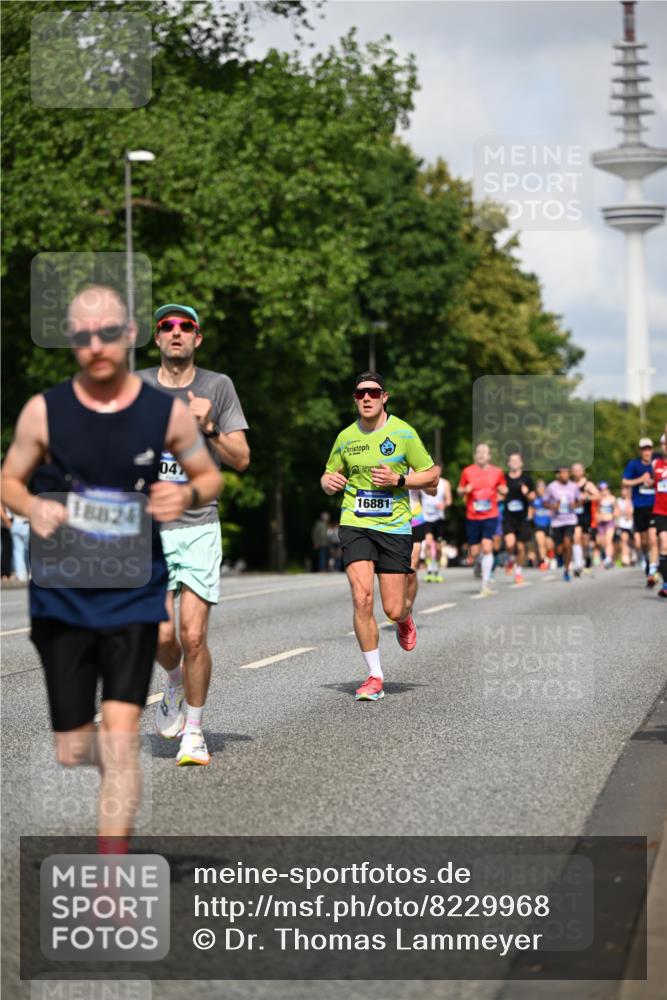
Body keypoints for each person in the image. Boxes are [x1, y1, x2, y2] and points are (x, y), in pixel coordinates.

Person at [0, 285, 221, 852]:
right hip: (64, 595)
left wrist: (187, 491)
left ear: (127, 336)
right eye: (83, 335)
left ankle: (112, 874)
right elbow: (9, 481)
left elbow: (211, 476)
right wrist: (33, 506)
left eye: (107, 333)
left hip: (133, 589)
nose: (95, 345)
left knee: (121, 738)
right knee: (73, 747)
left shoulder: (163, 410)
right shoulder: (43, 410)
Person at [139, 303, 250, 766]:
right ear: (158, 338)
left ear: (197, 339)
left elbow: (241, 458)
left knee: (195, 634)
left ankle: (195, 733)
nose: (177, 333)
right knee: (162, 636)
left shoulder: (217, 387)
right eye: (168, 326)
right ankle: (176, 681)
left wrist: (207, 426)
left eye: (186, 327)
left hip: (200, 523)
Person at [321, 371, 438, 701]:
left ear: (384, 396)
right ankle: (374, 675)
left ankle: (405, 617)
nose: (367, 398)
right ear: (355, 399)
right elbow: (329, 473)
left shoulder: (403, 433)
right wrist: (326, 482)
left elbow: (433, 478)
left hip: (394, 526)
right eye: (360, 394)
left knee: (392, 607)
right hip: (355, 522)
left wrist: (399, 481)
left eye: (373, 392)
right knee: (362, 598)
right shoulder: (345, 437)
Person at [457, 443, 507, 597]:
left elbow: (504, 489)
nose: (481, 455)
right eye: (479, 452)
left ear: (489, 456)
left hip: (490, 514)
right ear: (475, 455)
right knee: (475, 551)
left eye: (484, 452)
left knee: (487, 547)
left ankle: (485, 583)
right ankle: (479, 565)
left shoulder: (497, 472)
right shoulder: (467, 471)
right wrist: (465, 490)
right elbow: (459, 490)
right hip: (472, 516)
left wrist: (503, 490)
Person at [623, 438, 658, 587]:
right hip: (639, 506)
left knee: (653, 539)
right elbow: (625, 482)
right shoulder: (634, 464)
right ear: (640, 451)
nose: (647, 452)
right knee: (643, 541)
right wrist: (640, 479)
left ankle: (652, 570)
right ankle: (646, 558)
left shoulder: (657, 463)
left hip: (655, 506)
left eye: (649, 448)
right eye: (644, 449)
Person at [502, 453, 535, 585]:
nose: (514, 462)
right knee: (510, 544)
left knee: (521, 548)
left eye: (517, 460)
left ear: (521, 463)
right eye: (512, 460)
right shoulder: (504, 479)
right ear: (508, 464)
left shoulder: (527, 479)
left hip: (522, 518)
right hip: (509, 517)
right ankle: (510, 559)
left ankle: (518, 572)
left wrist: (526, 493)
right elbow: (498, 495)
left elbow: (533, 497)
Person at [543, 467, 581, 581]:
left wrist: (575, 505)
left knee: (568, 542)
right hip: (557, 521)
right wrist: (553, 507)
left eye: (567, 473)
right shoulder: (551, 487)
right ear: (558, 474)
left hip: (570, 520)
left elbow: (580, 500)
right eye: (563, 473)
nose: (566, 475)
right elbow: (544, 503)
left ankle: (566, 568)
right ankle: (562, 559)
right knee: (559, 549)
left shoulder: (573, 486)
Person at [571, 463, 598, 576]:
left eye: (579, 470)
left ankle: (587, 558)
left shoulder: (588, 484)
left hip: (586, 515)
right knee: (576, 537)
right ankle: (578, 565)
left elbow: (598, 496)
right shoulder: (570, 485)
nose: (577, 472)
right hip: (573, 515)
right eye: (574, 470)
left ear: (583, 471)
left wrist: (586, 497)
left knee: (585, 541)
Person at [422, 476, 451, 583]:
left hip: (439, 518)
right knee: (428, 543)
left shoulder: (445, 483)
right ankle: (430, 568)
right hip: (426, 517)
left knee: (438, 547)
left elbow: (449, 500)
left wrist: (444, 504)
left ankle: (436, 569)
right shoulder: (424, 480)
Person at [651, 433, 667, 599]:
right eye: (663, 444)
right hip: (661, 511)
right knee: (664, 544)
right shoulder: (656, 464)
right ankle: (666, 584)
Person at [595, 481, 618, 569]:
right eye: (602, 490)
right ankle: (606, 557)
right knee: (602, 542)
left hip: (610, 521)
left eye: (605, 489)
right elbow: (596, 512)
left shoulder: (612, 498)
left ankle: (608, 559)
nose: (604, 491)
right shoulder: (599, 499)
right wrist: (598, 518)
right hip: (601, 523)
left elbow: (616, 510)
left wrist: (613, 516)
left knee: (609, 540)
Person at [530, 479, 552, 571]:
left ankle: (550, 558)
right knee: (541, 544)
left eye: (543, 487)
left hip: (549, 525)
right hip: (538, 525)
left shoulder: (549, 499)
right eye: (539, 487)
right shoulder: (534, 500)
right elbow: (531, 512)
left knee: (550, 545)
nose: (541, 489)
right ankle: (542, 562)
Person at [616, 485, 635, 566]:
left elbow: (630, 512)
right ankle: (625, 558)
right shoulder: (618, 500)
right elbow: (617, 512)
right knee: (624, 540)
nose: (623, 492)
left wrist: (628, 501)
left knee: (633, 542)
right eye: (622, 490)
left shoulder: (632, 500)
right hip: (623, 524)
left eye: (625, 490)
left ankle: (633, 555)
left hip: (632, 524)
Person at [1, 504, 13, 580]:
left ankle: (5, 574)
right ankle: (4, 574)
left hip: (4, 524)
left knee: (7, 549)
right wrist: (8, 522)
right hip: (4, 525)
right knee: (6, 549)